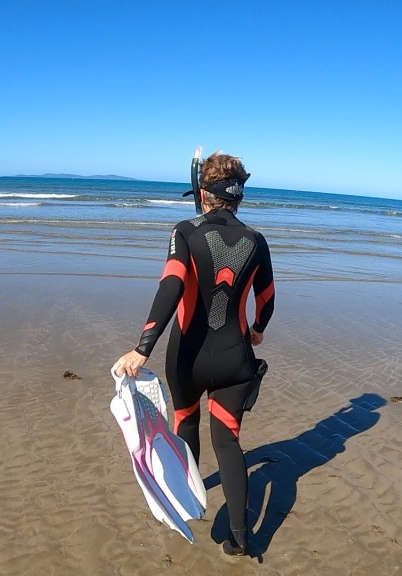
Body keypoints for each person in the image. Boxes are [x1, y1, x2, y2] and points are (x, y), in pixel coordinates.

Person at [113, 151, 275, 556]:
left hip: (188, 358)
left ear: (203, 193)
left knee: (186, 424)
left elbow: (171, 285)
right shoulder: (257, 241)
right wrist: (257, 329)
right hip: (236, 360)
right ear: (239, 195)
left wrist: (143, 348)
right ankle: (240, 538)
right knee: (228, 441)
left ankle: (187, 501)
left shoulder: (185, 231)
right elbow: (267, 297)